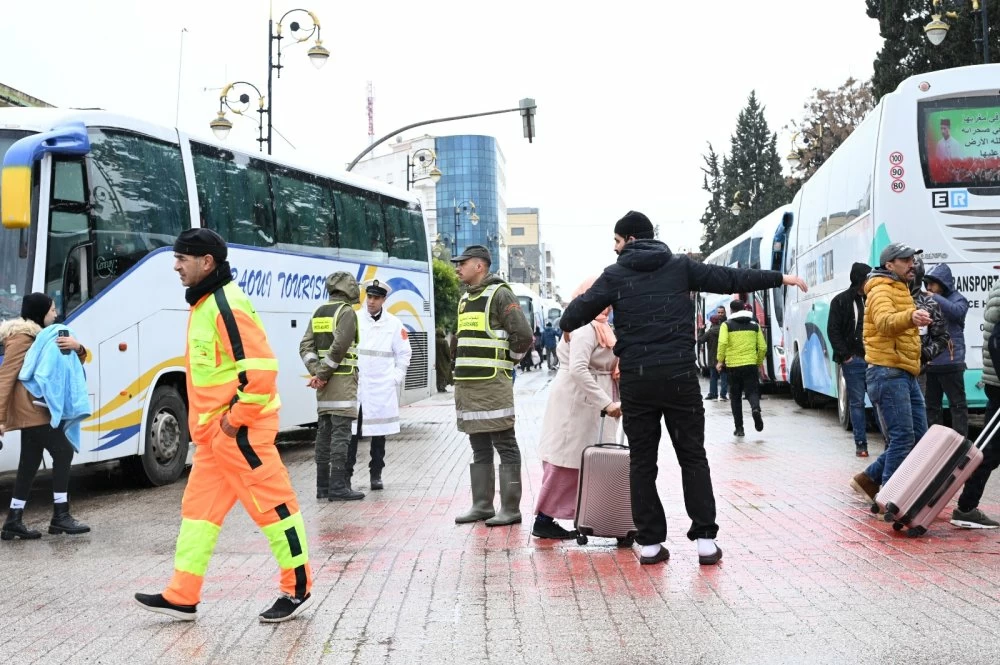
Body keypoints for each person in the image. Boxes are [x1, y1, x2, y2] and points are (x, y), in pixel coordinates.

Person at [560, 211, 808, 566]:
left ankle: (649, 545)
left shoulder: (614, 275)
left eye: (616, 241)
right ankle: (705, 541)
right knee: (693, 456)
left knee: (642, 463)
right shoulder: (680, 267)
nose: (615, 249)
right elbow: (730, 278)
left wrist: (568, 325)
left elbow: (579, 310)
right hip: (679, 377)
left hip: (638, 380)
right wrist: (780, 277)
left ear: (630, 239)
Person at [135, 228, 313, 623]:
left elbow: (262, 374)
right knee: (198, 513)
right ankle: (182, 595)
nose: (176, 266)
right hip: (216, 440)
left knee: (275, 508)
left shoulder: (224, 305)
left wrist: (234, 423)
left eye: (183, 259)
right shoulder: (204, 304)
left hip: (241, 433)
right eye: (175, 258)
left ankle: (296, 587)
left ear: (207, 262)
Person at [450, 245, 534, 527]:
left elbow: (522, 335)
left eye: (463, 263)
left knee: (505, 444)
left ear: (480, 266)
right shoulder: (464, 299)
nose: (457, 268)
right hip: (468, 386)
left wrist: (509, 361)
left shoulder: (501, 294)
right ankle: (482, 505)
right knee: (479, 446)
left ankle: (510, 509)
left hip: (492, 385)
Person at [533, 276, 620, 539]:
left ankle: (592, 517)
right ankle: (545, 518)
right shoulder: (585, 326)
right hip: (578, 400)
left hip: (591, 400)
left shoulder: (600, 326)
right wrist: (606, 403)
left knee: (590, 460)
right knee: (567, 461)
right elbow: (579, 369)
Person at [0, 293, 90, 540]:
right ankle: (60, 516)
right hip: (33, 411)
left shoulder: (44, 337)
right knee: (63, 451)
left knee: (28, 464)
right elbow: (6, 377)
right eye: (51, 310)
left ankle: (13, 520)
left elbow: (72, 359)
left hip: (39, 410)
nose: (55, 314)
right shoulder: (21, 338)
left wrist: (77, 347)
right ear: (40, 313)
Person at [850, 243, 932, 505]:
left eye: (912, 260)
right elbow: (885, 323)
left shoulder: (899, 288)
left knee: (919, 437)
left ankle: (867, 481)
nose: (912, 264)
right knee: (903, 438)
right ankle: (888, 497)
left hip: (904, 371)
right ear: (889, 265)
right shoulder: (881, 289)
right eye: (905, 260)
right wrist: (911, 316)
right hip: (888, 372)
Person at [300, 272, 363, 501]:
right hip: (342, 382)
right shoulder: (346, 312)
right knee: (341, 435)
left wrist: (316, 372)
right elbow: (339, 348)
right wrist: (323, 374)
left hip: (323, 387)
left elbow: (305, 346)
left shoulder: (318, 312)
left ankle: (322, 487)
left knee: (324, 434)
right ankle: (338, 487)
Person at [347, 279, 412, 492]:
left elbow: (404, 352)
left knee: (379, 433)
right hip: (358, 385)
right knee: (352, 433)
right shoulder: (355, 319)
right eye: (369, 297)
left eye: (376, 298)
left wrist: (396, 377)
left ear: (384, 299)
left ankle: (376, 475)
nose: (371, 302)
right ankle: (346, 476)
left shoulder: (394, 324)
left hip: (381, 386)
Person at [950, 282, 1000, 529]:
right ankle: (966, 507)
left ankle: (966, 506)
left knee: (991, 448)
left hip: (995, 380)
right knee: (990, 449)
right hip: (999, 383)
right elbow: (997, 342)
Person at [827, 262, 872, 457]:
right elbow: (833, 331)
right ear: (861, 280)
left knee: (880, 401)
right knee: (857, 403)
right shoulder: (841, 301)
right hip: (853, 361)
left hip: (874, 358)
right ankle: (861, 445)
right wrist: (846, 356)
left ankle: (890, 441)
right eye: (868, 279)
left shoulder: (874, 299)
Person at [923, 263, 970, 437]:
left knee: (957, 405)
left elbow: (957, 312)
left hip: (952, 362)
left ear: (943, 283)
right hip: (932, 362)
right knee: (932, 406)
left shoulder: (958, 299)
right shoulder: (929, 298)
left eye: (932, 283)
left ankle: (960, 445)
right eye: (926, 283)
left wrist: (934, 297)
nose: (928, 288)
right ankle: (934, 443)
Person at [716, 298, 766, 437]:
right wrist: (758, 361)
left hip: (733, 366)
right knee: (752, 392)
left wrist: (720, 361)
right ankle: (755, 409)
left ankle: (739, 429)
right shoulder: (754, 324)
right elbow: (762, 347)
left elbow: (723, 344)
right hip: (750, 364)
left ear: (731, 310)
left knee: (736, 397)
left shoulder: (727, 325)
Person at [698, 306, 729, 401]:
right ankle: (723, 394)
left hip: (712, 356)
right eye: (718, 312)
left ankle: (713, 393)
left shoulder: (710, 332)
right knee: (724, 376)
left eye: (721, 312)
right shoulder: (727, 328)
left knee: (713, 377)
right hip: (723, 356)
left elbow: (700, 340)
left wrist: (701, 330)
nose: (720, 314)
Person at [436, 328, 452, 392]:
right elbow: (447, 352)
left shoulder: (434, 341)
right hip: (444, 360)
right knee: (445, 373)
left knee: (438, 374)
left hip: (436, 360)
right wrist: (449, 359)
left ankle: (439, 387)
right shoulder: (444, 341)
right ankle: (442, 387)